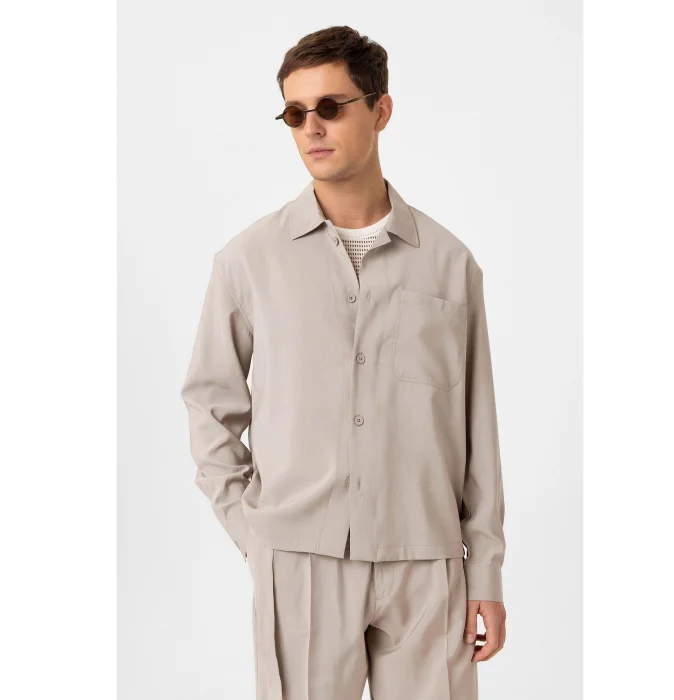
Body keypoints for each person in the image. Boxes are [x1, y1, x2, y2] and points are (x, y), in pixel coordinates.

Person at [180, 24, 506, 700]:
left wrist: (486, 571)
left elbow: (478, 430)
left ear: (380, 110)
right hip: (299, 561)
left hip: (427, 564)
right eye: (295, 113)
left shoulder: (450, 265)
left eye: (330, 106)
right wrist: (257, 534)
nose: (312, 128)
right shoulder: (248, 261)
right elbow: (210, 405)